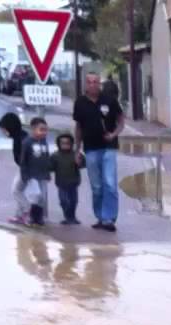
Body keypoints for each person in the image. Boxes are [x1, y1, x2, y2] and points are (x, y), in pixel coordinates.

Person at [73, 72, 125, 232]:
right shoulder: (80, 102)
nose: (93, 85)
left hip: (109, 147)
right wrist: (77, 149)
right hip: (90, 149)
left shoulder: (109, 100)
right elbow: (78, 127)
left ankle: (109, 218)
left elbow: (121, 120)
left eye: (95, 82)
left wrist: (114, 134)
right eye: (89, 82)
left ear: (99, 84)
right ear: (85, 84)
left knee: (109, 183)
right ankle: (100, 217)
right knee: (96, 186)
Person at [20, 117, 53, 226]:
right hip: (32, 175)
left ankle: (39, 217)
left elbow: (46, 158)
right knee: (36, 195)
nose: (44, 132)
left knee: (42, 197)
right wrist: (25, 175)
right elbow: (23, 160)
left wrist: (48, 173)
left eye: (45, 130)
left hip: (43, 174)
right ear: (33, 129)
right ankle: (32, 216)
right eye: (41, 130)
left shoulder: (44, 142)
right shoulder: (27, 142)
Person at [0, 112, 29, 224]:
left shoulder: (19, 139)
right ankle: (19, 215)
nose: (3, 133)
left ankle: (27, 210)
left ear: (9, 128)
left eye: (4, 130)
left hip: (26, 169)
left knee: (16, 191)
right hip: (25, 168)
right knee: (20, 191)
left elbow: (21, 157)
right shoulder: (22, 135)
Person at [52, 133, 82, 225]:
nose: (65, 145)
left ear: (71, 144)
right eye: (63, 143)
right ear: (59, 144)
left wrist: (79, 162)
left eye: (67, 143)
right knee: (64, 200)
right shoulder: (55, 155)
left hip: (73, 182)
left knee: (73, 201)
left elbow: (82, 164)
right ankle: (67, 216)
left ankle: (72, 217)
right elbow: (50, 166)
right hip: (61, 183)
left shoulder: (75, 154)